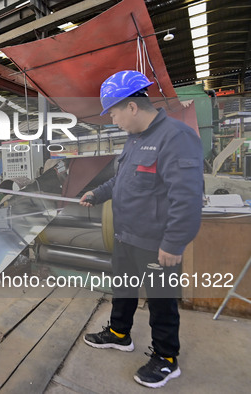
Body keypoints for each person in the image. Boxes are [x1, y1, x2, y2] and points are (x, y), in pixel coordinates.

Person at [79, 70, 204, 389]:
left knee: (161, 301)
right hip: (126, 236)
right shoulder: (136, 139)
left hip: (156, 242)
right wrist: (97, 193)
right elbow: (122, 180)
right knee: (123, 290)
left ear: (132, 107)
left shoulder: (176, 137)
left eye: (115, 113)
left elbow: (187, 197)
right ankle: (119, 334)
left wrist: (174, 244)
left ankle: (166, 358)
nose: (113, 120)